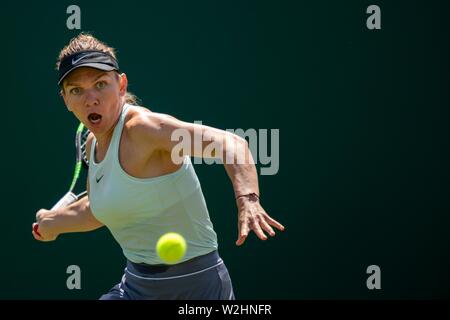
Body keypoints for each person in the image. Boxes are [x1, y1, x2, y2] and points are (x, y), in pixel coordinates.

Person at [32, 33, 285, 300]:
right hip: (135, 287)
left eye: (100, 84)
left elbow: (230, 143)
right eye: (76, 90)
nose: (91, 99)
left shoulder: (144, 129)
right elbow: (98, 209)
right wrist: (53, 223)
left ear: (121, 85)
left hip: (197, 288)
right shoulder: (93, 145)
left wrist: (248, 199)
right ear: (65, 100)